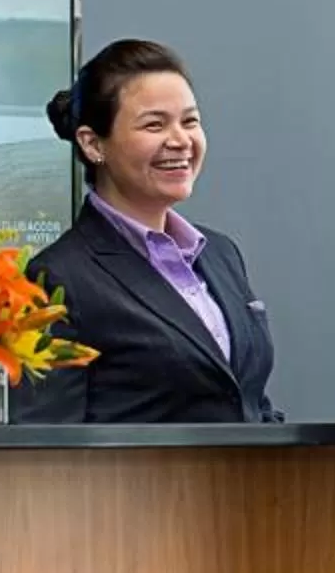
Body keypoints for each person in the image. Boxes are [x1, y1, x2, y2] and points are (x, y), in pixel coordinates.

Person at [15, 40, 281, 425]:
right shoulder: (57, 277)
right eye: (154, 124)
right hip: (135, 485)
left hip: (246, 483)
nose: (180, 140)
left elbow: (250, 403)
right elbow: (48, 446)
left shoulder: (221, 254)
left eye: (190, 121)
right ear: (92, 144)